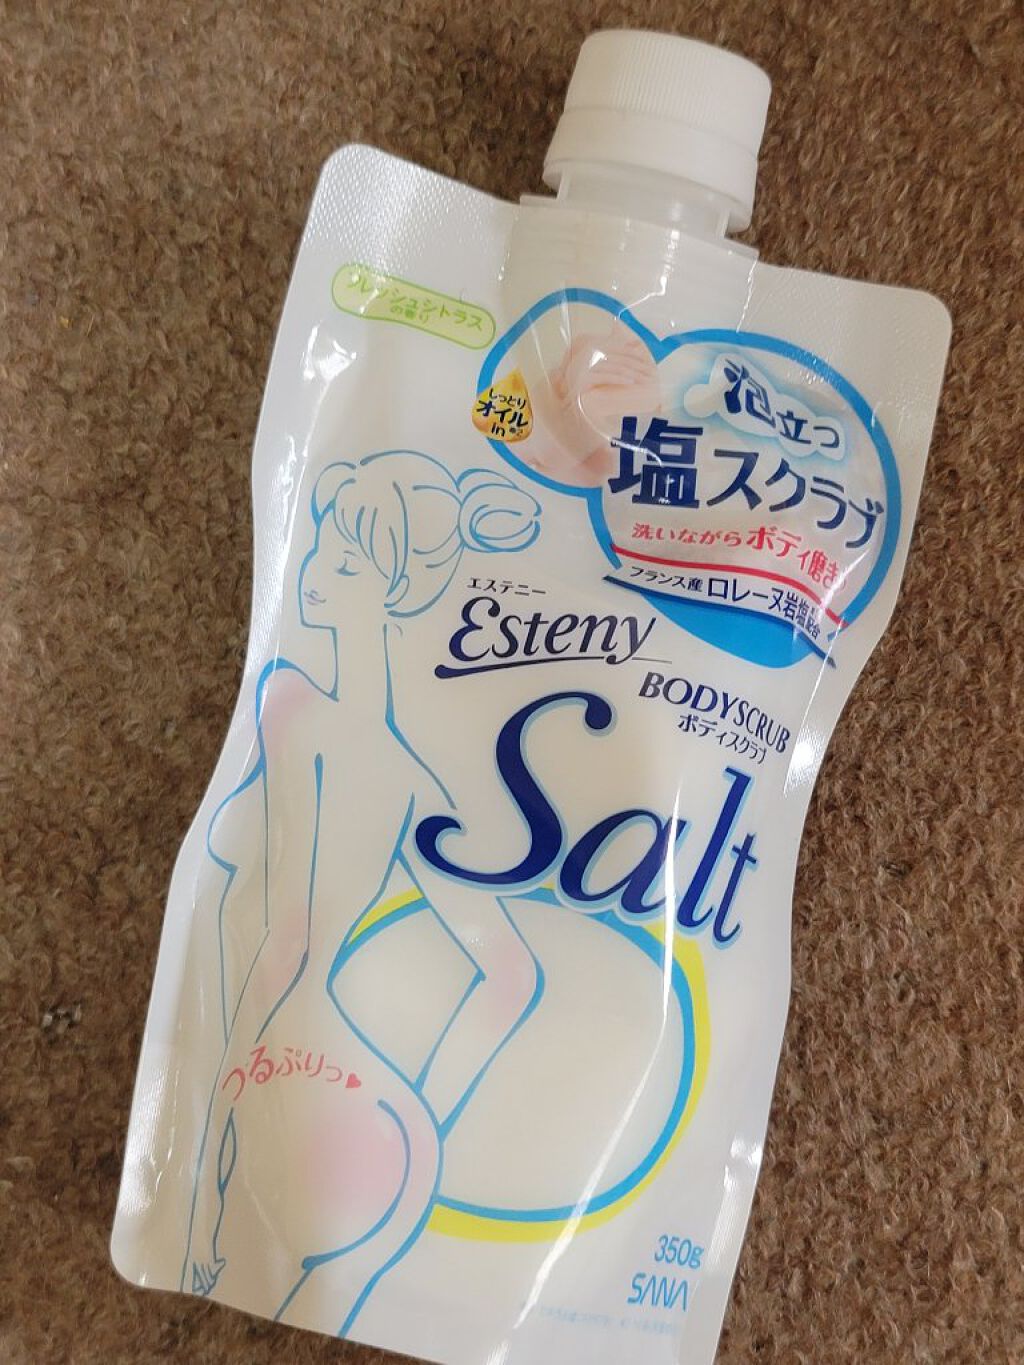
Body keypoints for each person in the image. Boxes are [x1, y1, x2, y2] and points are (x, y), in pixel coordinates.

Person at [182, 451, 542, 1334]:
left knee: (227, 1304)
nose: (310, 570)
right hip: (392, 1136)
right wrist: (422, 1118)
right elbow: (512, 977)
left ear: (390, 592)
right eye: (319, 549)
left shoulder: (294, 708)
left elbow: (287, 939)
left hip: (280, 1071)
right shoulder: (417, 781)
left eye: (342, 563)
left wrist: (214, 1127)